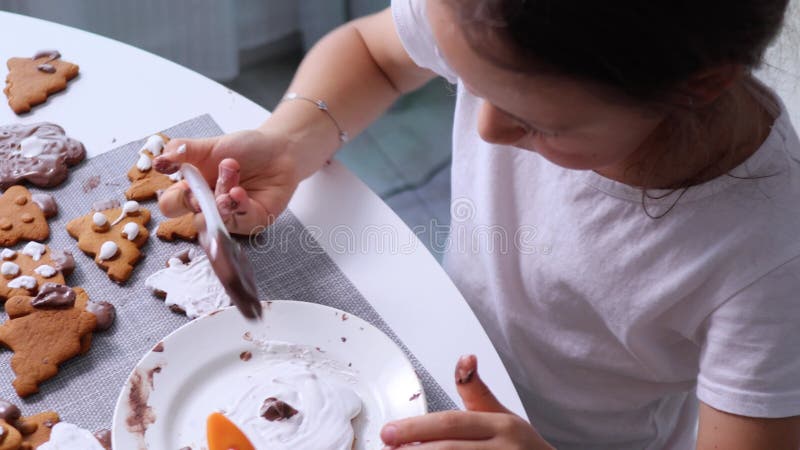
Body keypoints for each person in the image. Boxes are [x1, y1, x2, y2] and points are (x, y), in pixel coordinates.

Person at [154, 0, 800, 448]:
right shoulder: (490, 18)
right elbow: (373, 53)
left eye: (539, 122)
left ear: (697, 86)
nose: (486, 130)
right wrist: (294, 138)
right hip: (429, 347)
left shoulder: (770, 266)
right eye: (463, 82)